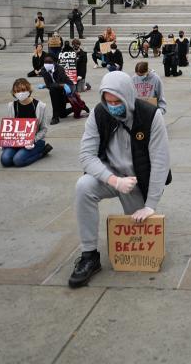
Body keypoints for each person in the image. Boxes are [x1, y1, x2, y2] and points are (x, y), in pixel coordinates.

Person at [69, 72, 171, 288]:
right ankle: (89, 255)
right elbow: (86, 156)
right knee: (83, 186)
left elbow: (161, 163)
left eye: (117, 101)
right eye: (108, 101)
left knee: (137, 227)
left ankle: (140, 207)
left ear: (127, 96)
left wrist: (151, 205)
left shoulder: (151, 116)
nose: (113, 105)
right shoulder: (98, 114)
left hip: (137, 181)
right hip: (111, 176)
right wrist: (113, 180)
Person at [0, 79, 52, 168]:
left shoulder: (40, 106)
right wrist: (4, 140)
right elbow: (10, 128)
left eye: (23, 90)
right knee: (5, 160)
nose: (20, 93)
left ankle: (42, 153)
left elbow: (44, 129)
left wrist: (33, 140)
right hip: (17, 141)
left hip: (34, 141)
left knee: (18, 161)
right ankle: (19, 152)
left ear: (28, 90)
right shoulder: (11, 106)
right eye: (17, 91)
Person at [36, 54, 72, 124]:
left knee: (62, 114)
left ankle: (80, 107)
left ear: (53, 63)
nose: (47, 64)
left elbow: (61, 82)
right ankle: (55, 117)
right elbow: (49, 84)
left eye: (49, 63)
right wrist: (47, 85)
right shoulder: (43, 70)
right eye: (45, 63)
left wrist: (47, 86)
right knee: (53, 91)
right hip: (56, 89)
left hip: (67, 88)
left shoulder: (60, 68)